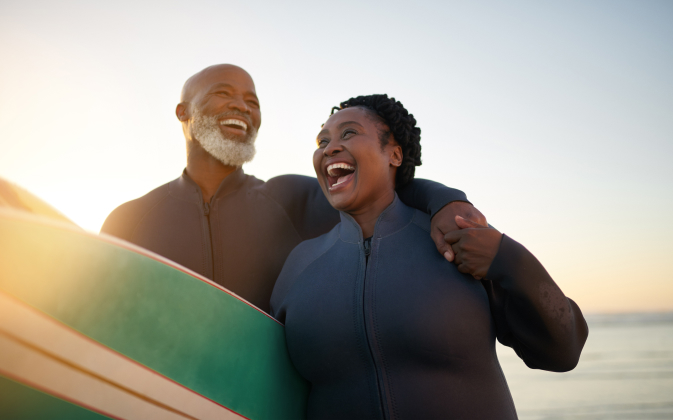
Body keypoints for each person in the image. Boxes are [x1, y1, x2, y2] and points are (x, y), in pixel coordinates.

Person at [270, 94, 588, 419]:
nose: (330, 147)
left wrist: (508, 258)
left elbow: (563, 352)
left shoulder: (458, 236)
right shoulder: (299, 264)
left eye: (348, 133)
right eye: (322, 140)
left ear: (394, 154)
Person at [101, 64, 486, 312]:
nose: (242, 107)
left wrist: (447, 202)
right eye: (224, 93)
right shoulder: (129, 219)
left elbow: (384, 189)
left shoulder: (291, 198)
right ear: (183, 112)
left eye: (252, 101)